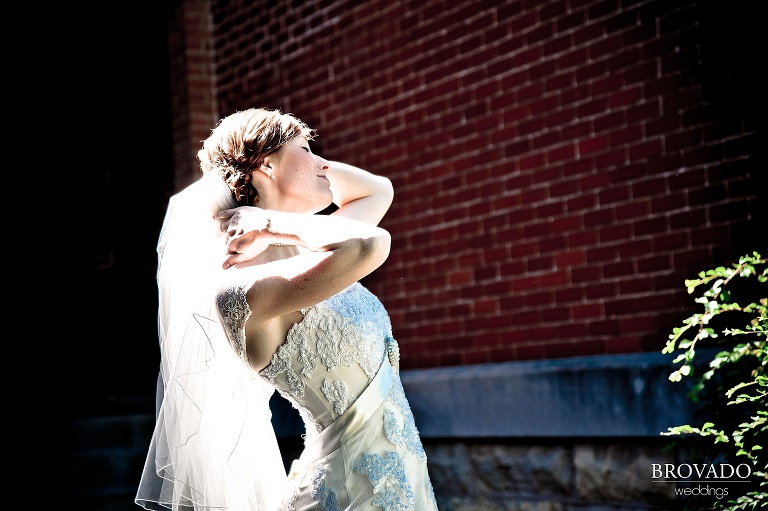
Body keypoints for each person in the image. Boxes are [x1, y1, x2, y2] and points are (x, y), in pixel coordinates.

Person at [136, 107, 439, 511]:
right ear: (266, 165)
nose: (324, 163)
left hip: (400, 483)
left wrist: (271, 215)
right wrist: (267, 223)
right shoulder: (240, 291)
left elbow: (378, 190)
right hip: (347, 493)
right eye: (307, 149)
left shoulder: (310, 253)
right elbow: (371, 243)